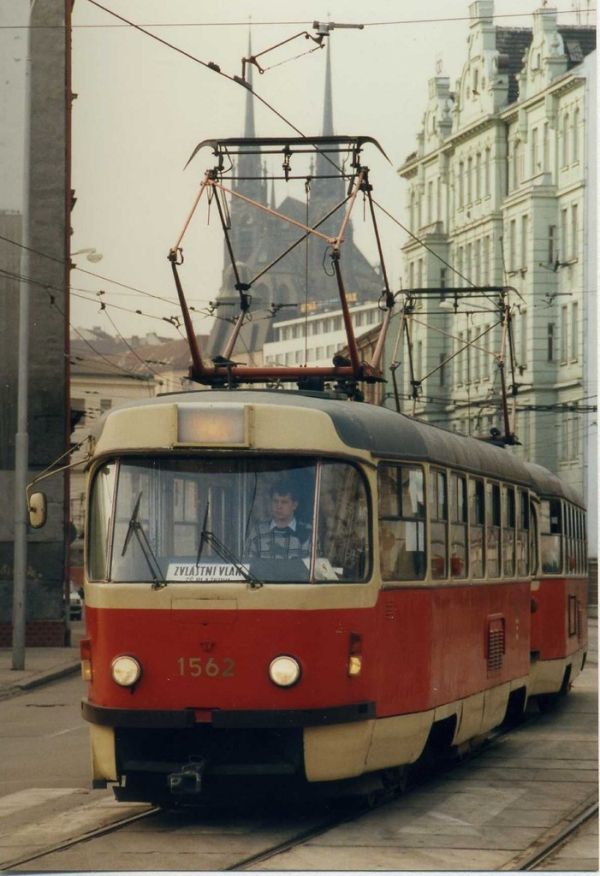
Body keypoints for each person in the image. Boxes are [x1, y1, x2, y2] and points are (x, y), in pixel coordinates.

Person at [246, 481, 311, 560]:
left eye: (284, 502)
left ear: (294, 505)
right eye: (275, 501)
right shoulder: (258, 532)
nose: (279, 506)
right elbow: (248, 566)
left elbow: (316, 569)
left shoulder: (309, 533)